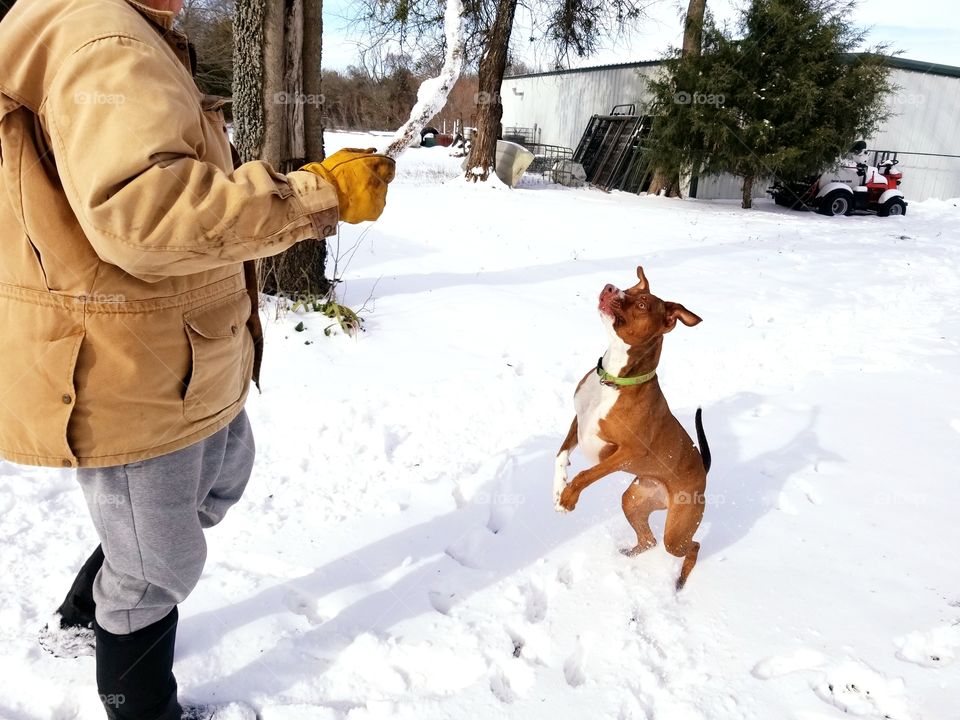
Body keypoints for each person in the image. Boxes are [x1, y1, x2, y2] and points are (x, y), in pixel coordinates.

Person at [0, 0, 395, 717]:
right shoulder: (105, 37)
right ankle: (139, 697)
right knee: (161, 568)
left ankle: (97, 598)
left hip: (187, 350)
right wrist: (318, 192)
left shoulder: (140, 31)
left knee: (220, 479)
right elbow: (145, 216)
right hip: (131, 369)